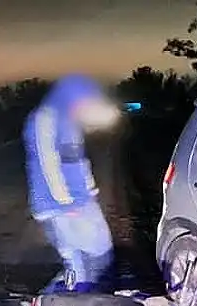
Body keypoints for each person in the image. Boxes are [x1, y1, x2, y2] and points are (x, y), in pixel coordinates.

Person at [23, 73, 119, 293]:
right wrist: (65, 203)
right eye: (84, 102)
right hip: (58, 206)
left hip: (78, 201)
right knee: (83, 263)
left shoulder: (70, 121)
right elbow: (48, 162)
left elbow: (78, 159)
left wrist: (90, 187)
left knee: (95, 258)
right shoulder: (45, 118)